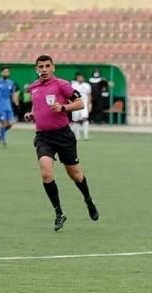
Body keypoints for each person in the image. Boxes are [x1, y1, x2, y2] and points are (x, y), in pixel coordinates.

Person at [25, 55, 99, 231]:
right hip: (43, 137)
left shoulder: (61, 85)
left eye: (47, 66)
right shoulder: (33, 87)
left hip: (63, 135)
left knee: (75, 174)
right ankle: (59, 213)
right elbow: (37, 106)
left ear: (53, 67)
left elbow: (80, 103)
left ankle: (88, 200)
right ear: (36, 69)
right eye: (40, 66)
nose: (44, 69)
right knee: (46, 173)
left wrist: (63, 107)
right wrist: (32, 114)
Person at [0, 66, 19, 146]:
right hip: (0, 106)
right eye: (4, 72)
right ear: (1, 73)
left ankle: (0, 134)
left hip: (8, 106)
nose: (6, 73)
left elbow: (13, 94)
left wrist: (17, 104)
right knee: (4, 123)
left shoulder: (11, 83)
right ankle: (3, 140)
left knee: (11, 123)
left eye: (7, 72)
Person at [70, 72, 92, 140]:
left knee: (85, 118)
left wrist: (89, 105)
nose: (80, 79)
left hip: (84, 104)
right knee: (75, 120)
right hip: (76, 103)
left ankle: (86, 135)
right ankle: (77, 135)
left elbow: (89, 95)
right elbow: (70, 95)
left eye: (81, 77)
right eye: (79, 77)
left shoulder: (87, 85)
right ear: (77, 78)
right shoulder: (73, 85)